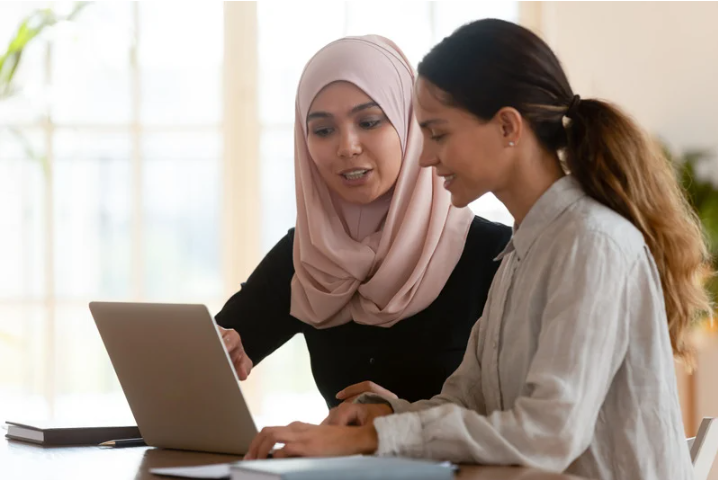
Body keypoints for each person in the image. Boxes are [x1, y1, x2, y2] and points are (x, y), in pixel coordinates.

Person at [244, 19, 713, 480]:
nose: (425, 156)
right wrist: (386, 416)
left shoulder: (592, 244)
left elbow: (550, 433)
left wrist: (370, 440)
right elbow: (468, 399)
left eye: (439, 133)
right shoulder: (521, 252)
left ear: (508, 126)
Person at [215, 35, 511, 409]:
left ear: (412, 125)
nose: (347, 146)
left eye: (369, 122)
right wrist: (218, 348)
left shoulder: (497, 256)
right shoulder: (308, 254)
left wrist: (399, 421)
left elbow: (521, 416)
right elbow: (221, 342)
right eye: (323, 130)